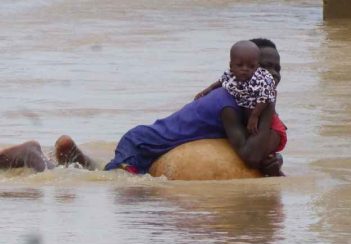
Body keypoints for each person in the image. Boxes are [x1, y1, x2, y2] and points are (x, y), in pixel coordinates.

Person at [0, 38, 285, 176]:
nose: (269, 75)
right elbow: (248, 154)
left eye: (275, 69)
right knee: (112, 186)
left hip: (150, 143)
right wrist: (269, 105)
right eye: (262, 68)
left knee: (103, 174)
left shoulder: (239, 94)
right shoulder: (229, 106)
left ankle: (77, 158)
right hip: (144, 144)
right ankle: (34, 158)